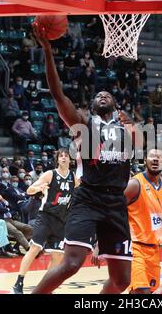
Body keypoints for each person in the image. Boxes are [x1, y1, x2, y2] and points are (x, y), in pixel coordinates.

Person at [32, 24, 135, 294]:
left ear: (116, 105)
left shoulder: (128, 129)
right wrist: (48, 52)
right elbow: (57, 94)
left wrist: (131, 124)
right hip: (88, 198)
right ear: (90, 107)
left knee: (122, 281)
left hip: (116, 202)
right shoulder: (84, 126)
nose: (102, 95)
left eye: (107, 94)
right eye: (97, 95)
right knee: (71, 263)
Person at [98, 149, 162, 294]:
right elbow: (111, 212)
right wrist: (100, 242)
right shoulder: (135, 184)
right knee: (141, 291)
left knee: (140, 289)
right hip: (133, 246)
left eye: (159, 157)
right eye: (152, 156)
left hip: (155, 249)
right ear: (145, 160)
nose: (155, 159)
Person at [12, 149, 78, 294]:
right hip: (46, 217)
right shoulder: (50, 174)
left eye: (66, 156)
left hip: (62, 220)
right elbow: (29, 190)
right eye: (61, 156)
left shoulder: (74, 177)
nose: (63, 158)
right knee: (35, 249)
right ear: (57, 159)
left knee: (58, 255)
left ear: (70, 160)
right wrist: (39, 188)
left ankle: (47, 286)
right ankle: (18, 282)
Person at [0, 182, 33, 254]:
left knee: (29, 228)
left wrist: (3, 201)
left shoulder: (0, 198)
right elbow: (1, 209)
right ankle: (29, 249)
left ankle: (16, 246)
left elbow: (11, 206)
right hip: (1, 221)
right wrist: (6, 208)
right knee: (17, 232)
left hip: (10, 219)